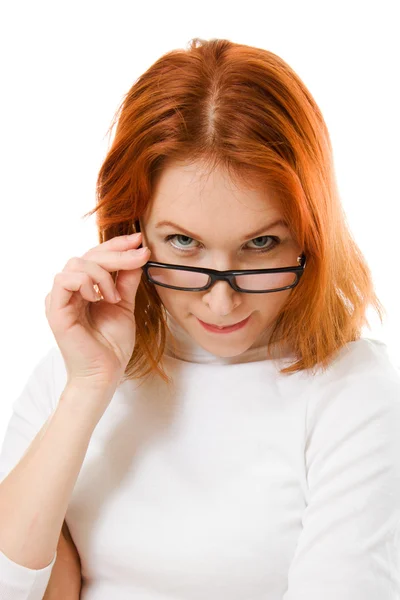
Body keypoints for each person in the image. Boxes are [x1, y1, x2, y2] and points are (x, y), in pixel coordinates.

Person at [0, 37, 399, 600]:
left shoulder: (348, 390)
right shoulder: (76, 368)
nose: (221, 301)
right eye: (183, 243)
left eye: (261, 244)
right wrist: (87, 388)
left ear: (310, 236)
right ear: (131, 230)